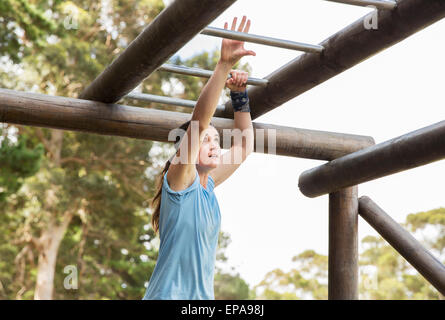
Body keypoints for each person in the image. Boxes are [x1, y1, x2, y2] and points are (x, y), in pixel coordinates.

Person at [142, 16, 256, 300]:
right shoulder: (179, 182)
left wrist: (240, 96)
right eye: (207, 140)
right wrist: (223, 66)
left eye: (217, 140)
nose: (215, 144)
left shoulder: (207, 188)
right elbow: (199, 122)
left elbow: (244, 146)